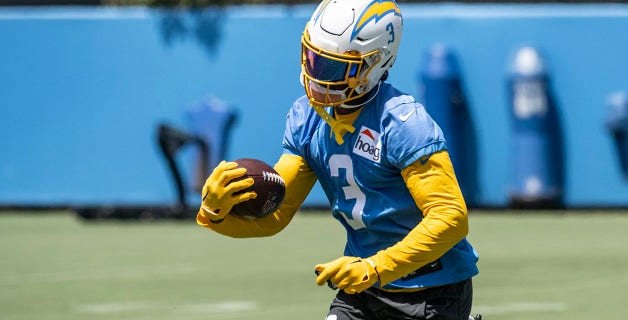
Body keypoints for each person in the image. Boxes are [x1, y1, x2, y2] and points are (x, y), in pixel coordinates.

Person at [196, 0, 480, 319]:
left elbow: (450, 217)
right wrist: (214, 210)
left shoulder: (401, 121)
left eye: (331, 67)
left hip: (430, 288)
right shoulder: (307, 117)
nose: (316, 76)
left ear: (373, 64)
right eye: (313, 59)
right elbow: (274, 216)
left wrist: (376, 267)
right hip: (363, 284)